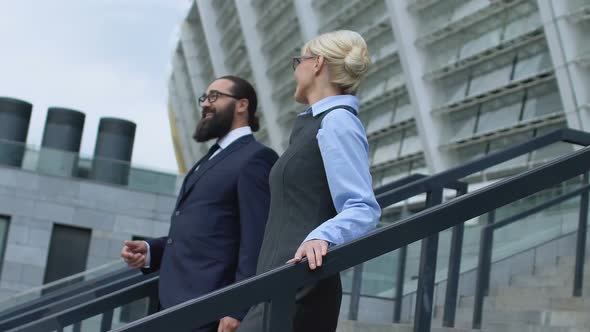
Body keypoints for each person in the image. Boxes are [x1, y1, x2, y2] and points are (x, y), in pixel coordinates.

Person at [239, 30, 381, 332]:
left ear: (317, 64)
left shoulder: (337, 121)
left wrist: (323, 236)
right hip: (279, 283)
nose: (296, 70)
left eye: (298, 61)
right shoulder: (313, 123)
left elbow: (363, 207)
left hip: (302, 285)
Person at [121, 76, 278, 332]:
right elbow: (209, 232)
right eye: (204, 97)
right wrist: (151, 250)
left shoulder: (256, 158)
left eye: (214, 96)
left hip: (209, 313)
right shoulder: (211, 158)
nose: (205, 104)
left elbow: (257, 239)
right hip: (176, 308)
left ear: (242, 105)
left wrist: (239, 307)